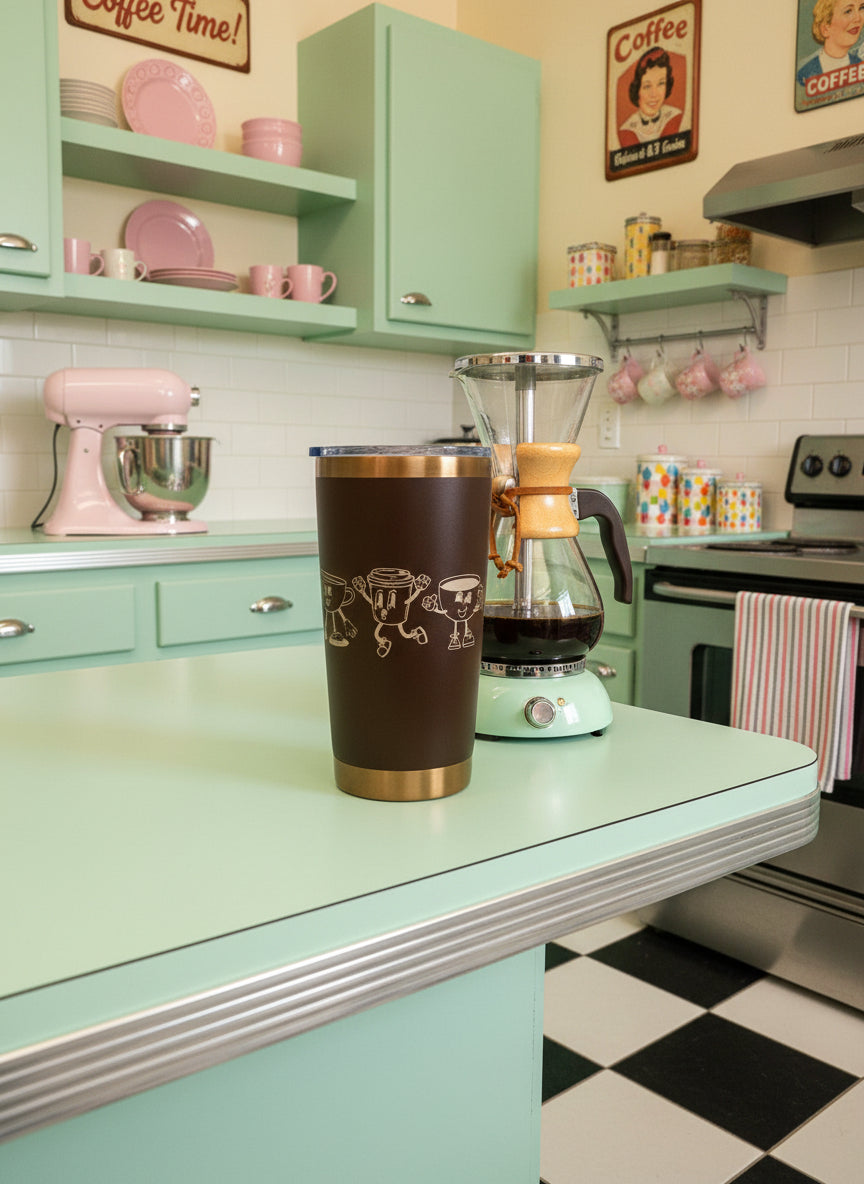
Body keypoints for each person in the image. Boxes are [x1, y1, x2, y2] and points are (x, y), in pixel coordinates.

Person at [619, 48, 682, 146]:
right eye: (647, 86)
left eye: (661, 83)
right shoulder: (627, 129)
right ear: (637, 90)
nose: (654, 94)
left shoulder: (675, 116)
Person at [797, 0, 864, 84]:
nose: (858, 18)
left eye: (861, 8)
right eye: (848, 11)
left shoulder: (859, 62)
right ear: (825, 29)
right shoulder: (805, 74)